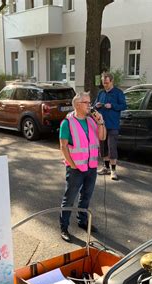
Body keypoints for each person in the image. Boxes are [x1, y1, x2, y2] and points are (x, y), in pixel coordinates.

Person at [59, 92, 107, 242]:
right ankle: (64, 227)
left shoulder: (92, 121)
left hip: (91, 167)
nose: (89, 105)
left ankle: (82, 221)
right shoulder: (67, 123)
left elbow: (103, 137)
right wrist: (72, 165)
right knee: (70, 199)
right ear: (77, 105)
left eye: (89, 102)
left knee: (86, 196)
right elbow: (63, 146)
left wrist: (100, 122)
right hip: (76, 169)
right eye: (86, 102)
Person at [94, 72, 127, 180]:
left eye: (107, 83)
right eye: (104, 83)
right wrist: (97, 106)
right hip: (101, 125)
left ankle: (113, 170)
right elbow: (94, 106)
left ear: (112, 81)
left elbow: (123, 106)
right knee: (103, 148)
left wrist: (112, 106)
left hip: (113, 125)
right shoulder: (101, 93)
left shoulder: (118, 93)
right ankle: (106, 167)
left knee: (112, 147)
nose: (105, 85)